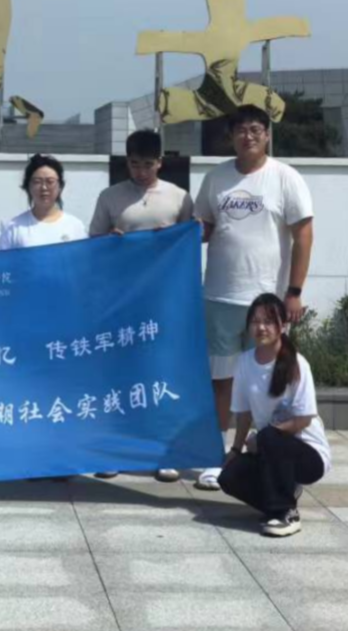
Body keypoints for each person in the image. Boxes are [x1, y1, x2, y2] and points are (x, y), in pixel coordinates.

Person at [191, 104, 313, 492]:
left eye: (256, 129)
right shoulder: (216, 178)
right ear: (231, 136)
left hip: (266, 302)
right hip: (220, 295)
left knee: (268, 382)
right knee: (221, 381)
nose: (248, 136)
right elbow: (204, 228)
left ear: (267, 135)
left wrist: (293, 292)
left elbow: (303, 235)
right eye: (241, 130)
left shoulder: (285, 177)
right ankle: (215, 455)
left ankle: (267, 452)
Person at [89, 128, 194, 482]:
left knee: (163, 374)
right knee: (120, 375)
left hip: (163, 300)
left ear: (160, 162)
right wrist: (109, 241)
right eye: (134, 164)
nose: (141, 171)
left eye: (148, 164)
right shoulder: (110, 197)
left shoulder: (179, 198)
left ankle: (165, 452)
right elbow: (93, 244)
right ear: (126, 162)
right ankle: (115, 450)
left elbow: (188, 247)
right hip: (122, 300)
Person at [217, 293, 330, 537]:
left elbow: (303, 420)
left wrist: (261, 439)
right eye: (255, 321)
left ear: (283, 326)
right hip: (270, 449)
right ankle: (281, 495)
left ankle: (285, 513)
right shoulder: (245, 362)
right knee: (229, 477)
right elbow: (244, 414)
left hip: (308, 455)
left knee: (268, 436)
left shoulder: (297, 364)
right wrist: (235, 450)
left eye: (268, 321)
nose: (261, 328)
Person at [0, 153, 86, 248]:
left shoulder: (75, 226)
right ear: (28, 186)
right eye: (37, 182)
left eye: (50, 181)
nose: (44, 187)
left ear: (60, 186)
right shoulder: (15, 227)